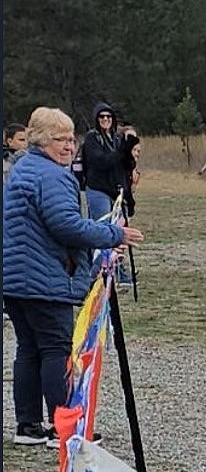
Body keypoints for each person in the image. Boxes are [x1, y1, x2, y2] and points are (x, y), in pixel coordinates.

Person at [3, 107, 144, 446]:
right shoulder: (52, 176)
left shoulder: (23, 168)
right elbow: (65, 225)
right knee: (56, 349)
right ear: (40, 140)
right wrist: (112, 234)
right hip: (44, 278)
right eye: (59, 140)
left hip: (16, 277)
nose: (68, 146)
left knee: (29, 348)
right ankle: (62, 427)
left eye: (71, 139)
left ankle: (28, 424)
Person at [81, 102, 123, 218]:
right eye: (102, 116)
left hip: (115, 191)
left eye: (108, 116)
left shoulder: (117, 139)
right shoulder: (92, 138)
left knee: (117, 226)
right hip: (97, 188)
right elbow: (100, 161)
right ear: (96, 119)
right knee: (101, 225)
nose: (105, 119)